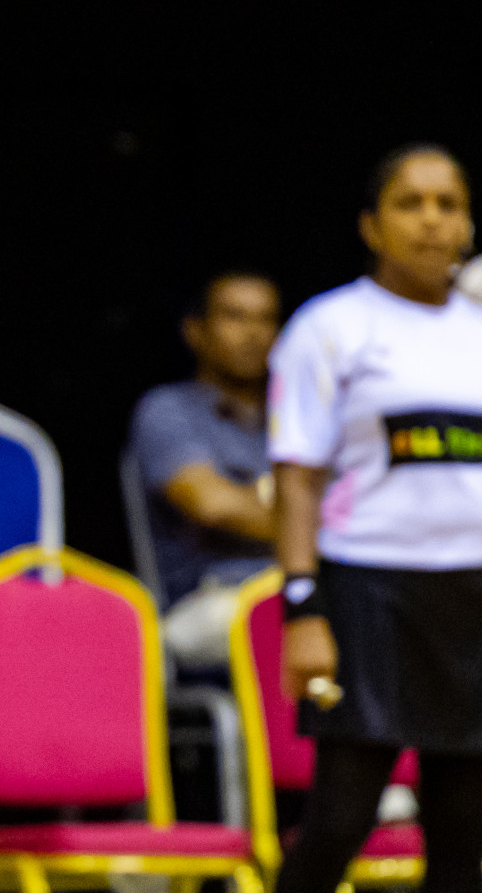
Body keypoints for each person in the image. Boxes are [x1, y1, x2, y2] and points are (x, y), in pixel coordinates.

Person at [269, 143, 482, 893]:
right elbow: (296, 481)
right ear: (371, 225)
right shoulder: (329, 326)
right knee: (341, 819)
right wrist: (303, 605)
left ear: (467, 223)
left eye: (448, 203)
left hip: (475, 595)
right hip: (368, 592)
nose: (431, 221)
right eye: (410, 203)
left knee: (462, 828)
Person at [128, 271, 281, 667]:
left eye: (266, 319)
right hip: (210, 598)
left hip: (297, 587)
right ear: (195, 331)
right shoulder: (168, 410)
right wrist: (314, 522)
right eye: (235, 317)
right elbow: (214, 505)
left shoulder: (296, 420)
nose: (253, 333)